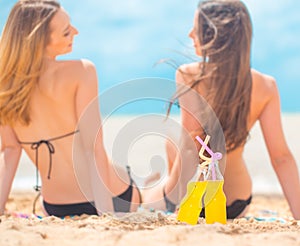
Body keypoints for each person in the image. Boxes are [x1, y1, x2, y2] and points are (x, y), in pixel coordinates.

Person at [145, 0, 300, 220]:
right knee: (171, 146)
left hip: (196, 199)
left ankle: (155, 183)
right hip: (237, 201)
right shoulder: (266, 85)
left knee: (143, 196)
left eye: (196, 29)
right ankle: (161, 180)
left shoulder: (189, 75)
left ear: (213, 36)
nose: (190, 35)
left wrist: (181, 204)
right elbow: (281, 157)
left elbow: (191, 149)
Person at [0, 0, 141, 217]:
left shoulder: (4, 86)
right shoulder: (82, 71)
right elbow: (92, 148)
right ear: (38, 41)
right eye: (66, 32)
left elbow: (11, 151)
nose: (76, 32)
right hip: (110, 197)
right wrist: (105, 214)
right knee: (147, 189)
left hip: (54, 207)